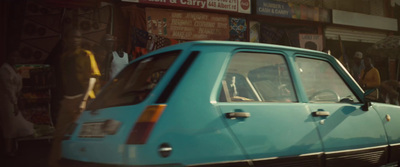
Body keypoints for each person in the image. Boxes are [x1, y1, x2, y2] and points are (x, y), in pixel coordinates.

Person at [48, 29, 101, 167]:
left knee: (79, 136)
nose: (75, 39)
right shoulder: (64, 57)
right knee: (59, 136)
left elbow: (93, 78)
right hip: (67, 99)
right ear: (67, 39)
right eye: (73, 37)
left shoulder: (86, 55)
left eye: (78, 37)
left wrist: (84, 100)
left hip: (80, 99)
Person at [0, 55, 35, 156]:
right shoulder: (4, 70)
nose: (15, 58)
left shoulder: (13, 68)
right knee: (9, 126)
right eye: (13, 56)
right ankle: (8, 150)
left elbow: (17, 84)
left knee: (12, 124)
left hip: (12, 99)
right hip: (7, 101)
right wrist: (15, 103)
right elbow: (9, 88)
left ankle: (11, 148)